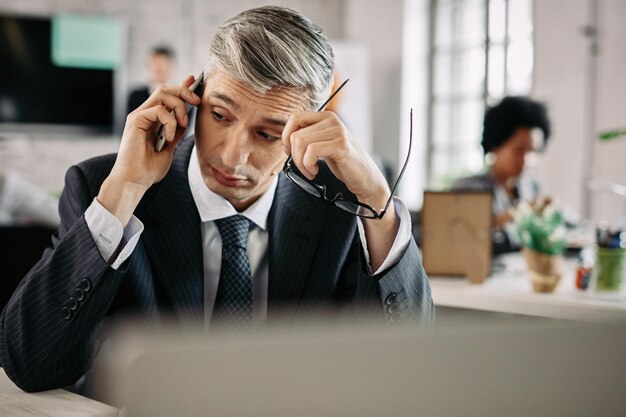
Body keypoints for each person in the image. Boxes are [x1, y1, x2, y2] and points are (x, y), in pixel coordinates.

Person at [0, 6, 433, 393]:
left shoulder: (344, 209)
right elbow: (29, 364)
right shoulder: (105, 187)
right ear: (193, 98)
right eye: (219, 115)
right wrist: (125, 191)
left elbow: (411, 374)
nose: (231, 155)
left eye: (267, 133)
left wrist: (378, 199)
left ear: (308, 131)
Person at [451, 96, 551, 254]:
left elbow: (565, 223)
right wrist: (521, 215)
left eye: (532, 151)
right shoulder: (468, 190)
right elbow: (469, 239)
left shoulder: (534, 186)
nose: (526, 160)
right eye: (518, 150)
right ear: (495, 145)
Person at [126, 46, 176, 114]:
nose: (158, 68)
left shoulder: (179, 97)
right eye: (155, 64)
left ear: (171, 67)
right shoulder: (136, 96)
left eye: (163, 64)